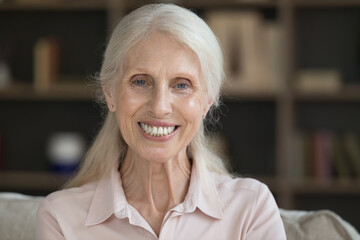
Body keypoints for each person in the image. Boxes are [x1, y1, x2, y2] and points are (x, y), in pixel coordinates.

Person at [36, 3, 286, 240]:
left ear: (207, 101)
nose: (159, 107)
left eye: (181, 85)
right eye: (141, 81)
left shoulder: (251, 208)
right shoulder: (61, 217)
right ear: (110, 93)